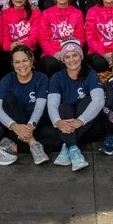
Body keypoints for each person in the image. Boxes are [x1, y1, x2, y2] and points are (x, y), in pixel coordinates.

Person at [42, 40, 104, 169]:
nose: (72, 60)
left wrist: (80, 121)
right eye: (67, 57)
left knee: (87, 100)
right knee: (63, 107)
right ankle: (74, 149)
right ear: (63, 60)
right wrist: (58, 122)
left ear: (81, 56)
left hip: (88, 127)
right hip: (67, 124)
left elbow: (99, 101)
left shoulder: (90, 74)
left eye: (75, 55)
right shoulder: (57, 77)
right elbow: (52, 104)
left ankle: (67, 145)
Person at [0, 44, 51, 165]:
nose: (21, 65)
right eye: (17, 62)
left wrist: (30, 126)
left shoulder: (41, 78)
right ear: (13, 64)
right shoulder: (7, 80)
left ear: (31, 60)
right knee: (8, 99)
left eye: (25, 60)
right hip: (14, 127)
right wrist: (14, 126)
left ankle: (14, 147)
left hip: (33, 125)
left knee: (59, 138)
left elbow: (40, 107)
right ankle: (33, 144)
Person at [36, 0, 86, 74]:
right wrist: (54, 53)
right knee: (50, 64)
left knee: (79, 63)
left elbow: (80, 38)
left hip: (71, 51)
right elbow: (43, 39)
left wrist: (68, 52)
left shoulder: (77, 13)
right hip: (51, 53)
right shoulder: (46, 13)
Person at [0, 0, 39, 71]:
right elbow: (4, 36)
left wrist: (24, 44)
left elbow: (35, 35)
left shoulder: (35, 12)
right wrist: (10, 46)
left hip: (29, 48)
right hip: (10, 49)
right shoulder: (5, 14)